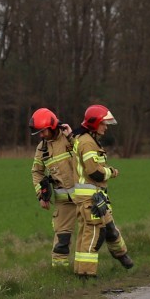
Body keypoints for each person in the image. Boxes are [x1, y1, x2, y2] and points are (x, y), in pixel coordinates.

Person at [72, 105, 133, 276]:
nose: (106, 127)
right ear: (94, 123)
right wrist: (111, 172)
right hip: (90, 199)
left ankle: (121, 256)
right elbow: (95, 172)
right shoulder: (87, 143)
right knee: (94, 235)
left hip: (95, 197)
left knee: (108, 230)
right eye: (103, 123)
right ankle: (86, 274)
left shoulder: (88, 140)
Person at [29, 107, 83, 271]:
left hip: (85, 197)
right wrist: (41, 195)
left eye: (43, 131)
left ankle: (118, 256)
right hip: (63, 203)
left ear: (52, 126)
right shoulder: (42, 148)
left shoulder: (70, 137)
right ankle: (60, 272)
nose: (41, 135)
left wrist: (72, 137)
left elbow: (85, 154)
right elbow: (37, 172)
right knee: (62, 240)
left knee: (98, 231)